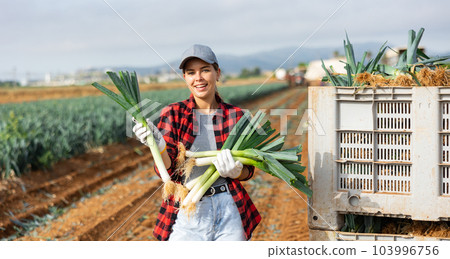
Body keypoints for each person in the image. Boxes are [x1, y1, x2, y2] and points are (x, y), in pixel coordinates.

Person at [133, 44, 261, 241]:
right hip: (188, 208)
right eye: (191, 72)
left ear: (217, 73)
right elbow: (167, 173)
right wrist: (158, 148)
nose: (198, 78)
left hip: (229, 207)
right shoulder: (173, 114)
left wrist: (236, 172)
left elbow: (249, 170)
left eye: (205, 70)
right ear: (185, 78)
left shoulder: (238, 116)